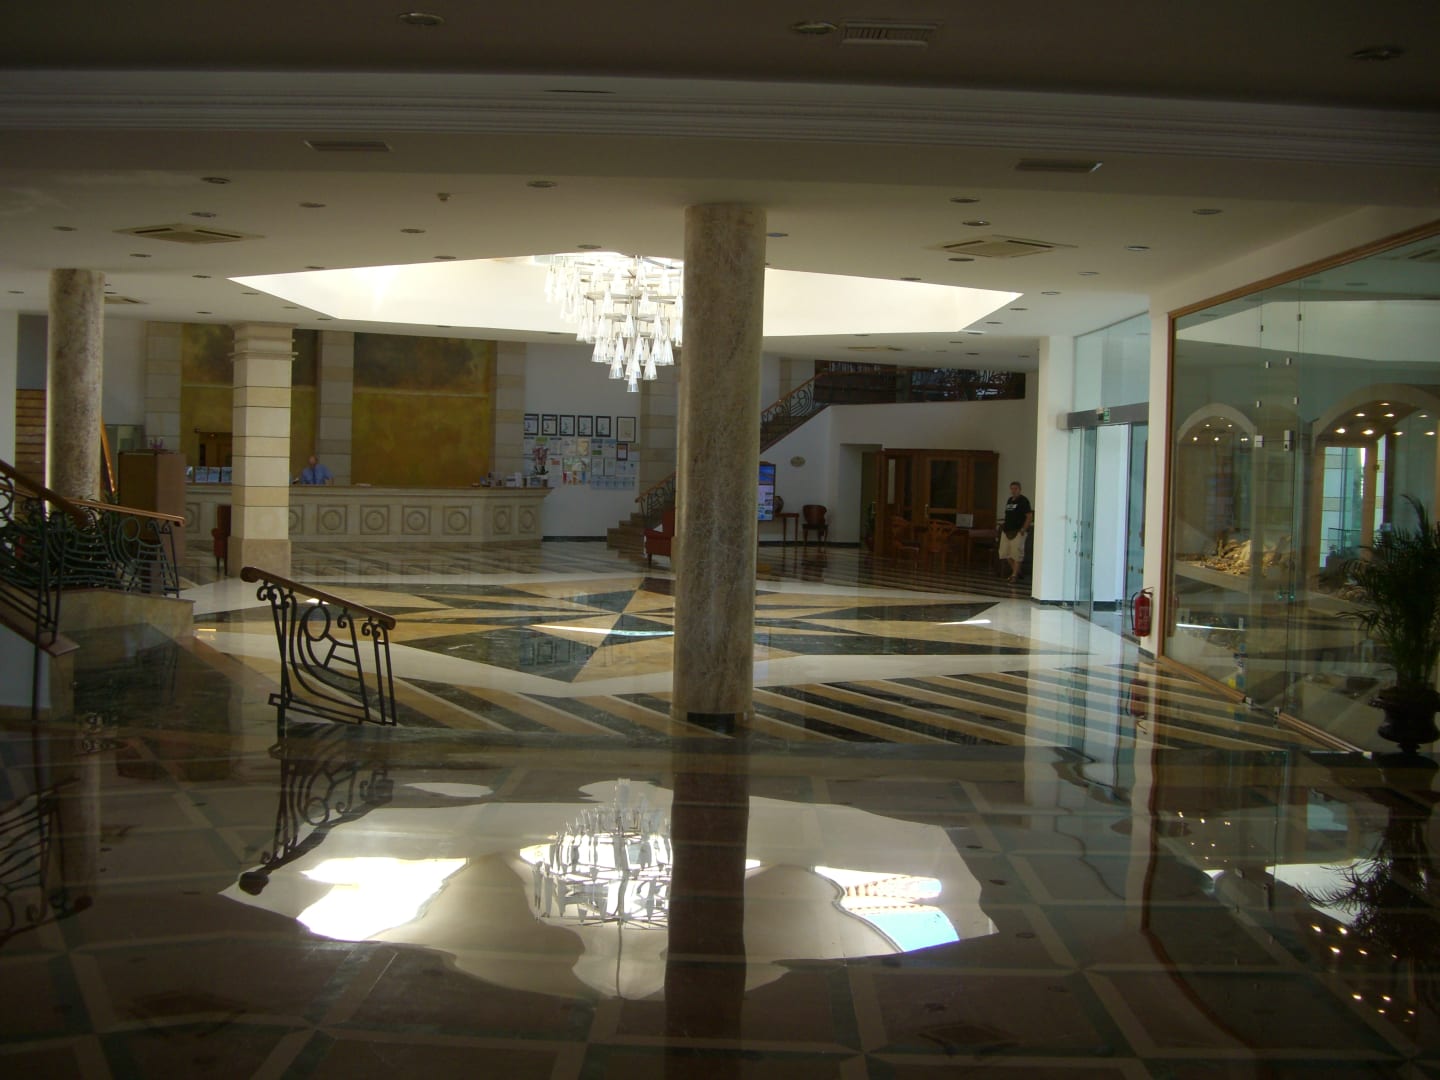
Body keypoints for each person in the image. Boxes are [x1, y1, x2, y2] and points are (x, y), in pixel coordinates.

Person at [998, 480, 1033, 584]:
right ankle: (1017, 571)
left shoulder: (1024, 501)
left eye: (1015, 489)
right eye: (1012, 489)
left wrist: (1023, 529)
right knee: (1005, 553)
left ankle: (1014, 575)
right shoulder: (1009, 500)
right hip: (1007, 530)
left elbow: (1029, 516)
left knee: (1017, 553)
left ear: (1020, 489)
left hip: (1018, 531)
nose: (1013, 491)